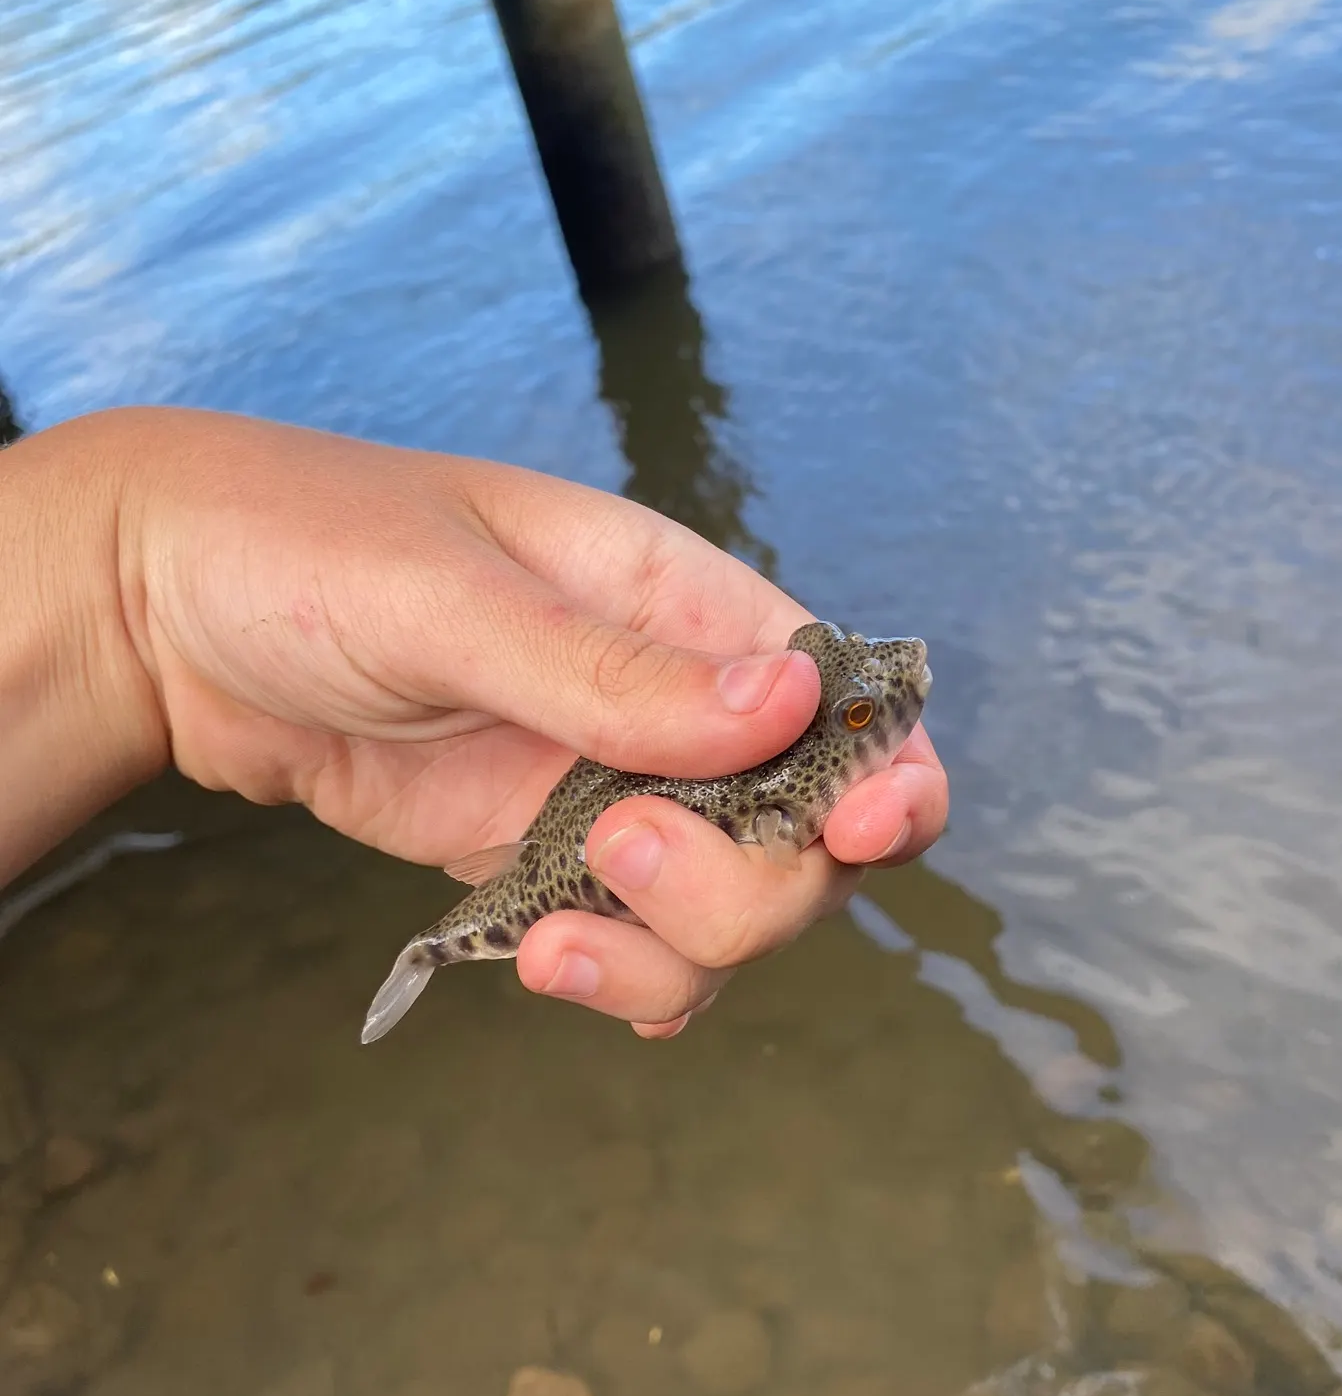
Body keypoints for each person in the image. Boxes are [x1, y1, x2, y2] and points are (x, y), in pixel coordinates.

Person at [0, 407, 948, 1038]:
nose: (895, 672)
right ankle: (434, 951)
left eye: (852, 700)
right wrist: (134, 591)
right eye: (859, 705)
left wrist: (137, 594)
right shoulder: (782, 782)